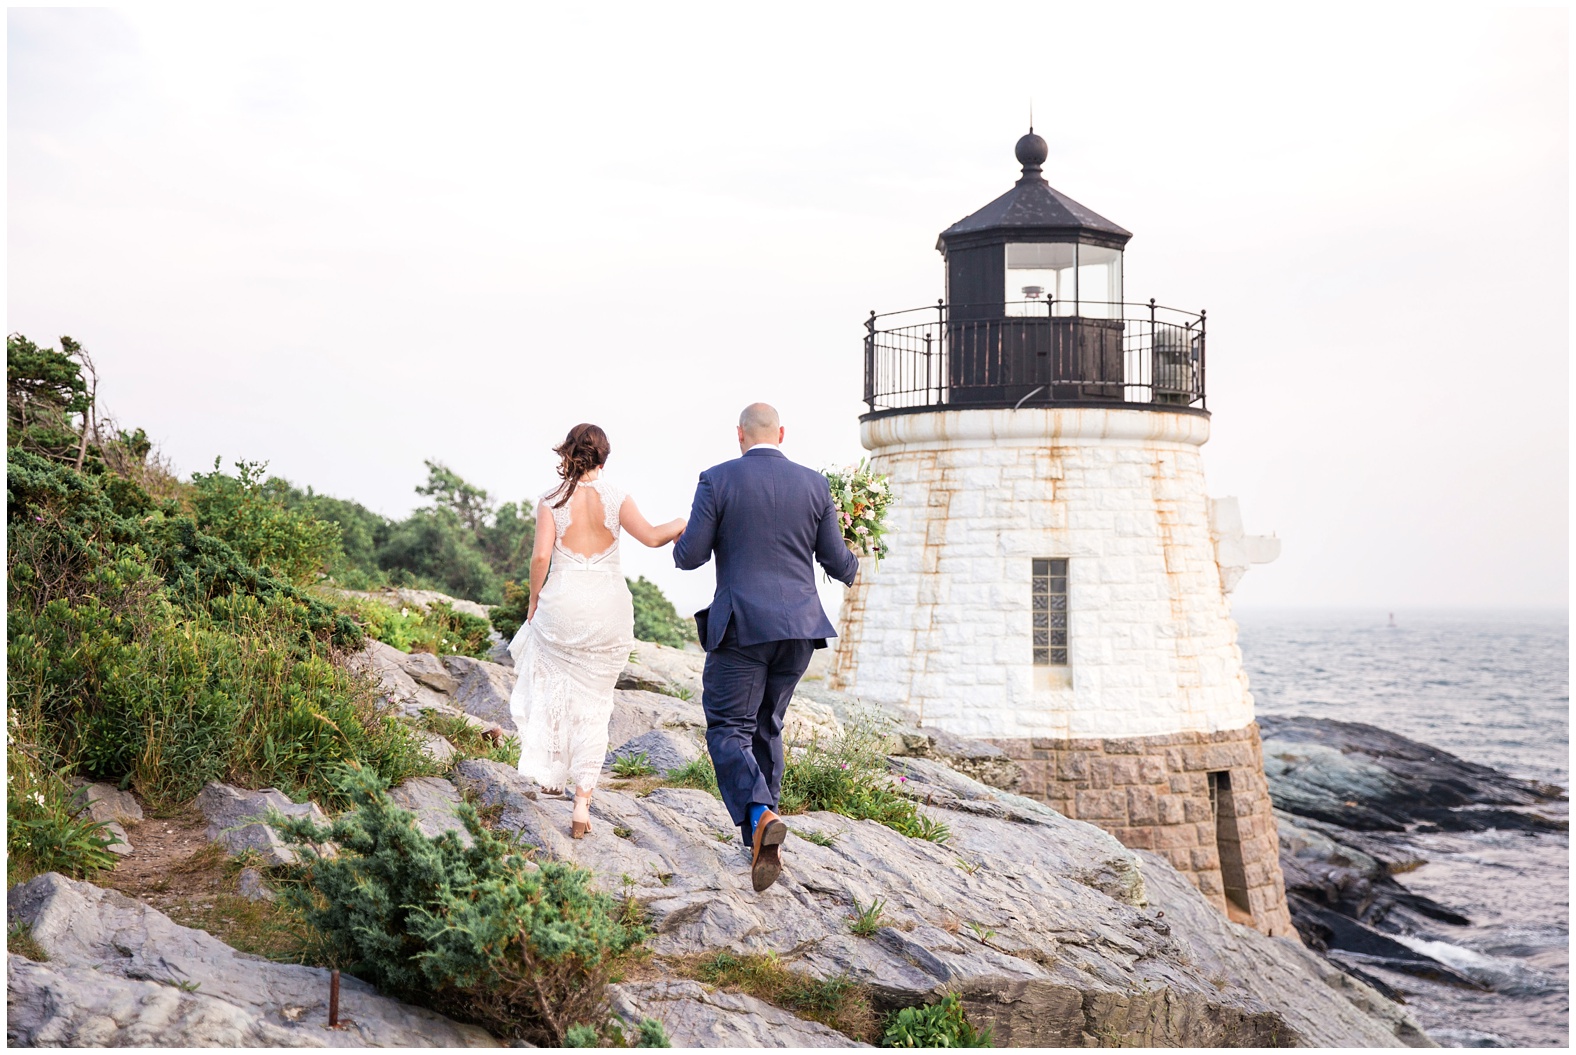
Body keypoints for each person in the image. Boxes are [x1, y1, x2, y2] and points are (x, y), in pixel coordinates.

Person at [673, 403, 859, 892]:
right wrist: (860, 555)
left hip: (743, 628)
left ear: (739, 435)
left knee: (728, 727)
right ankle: (761, 835)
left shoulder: (717, 479)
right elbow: (839, 563)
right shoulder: (815, 485)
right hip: (800, 629)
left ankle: (759, 813)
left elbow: (689, 556)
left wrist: (681, 533)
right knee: (766, 725)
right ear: (782, 433)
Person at [508, 423, 686, 839]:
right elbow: (655, 537)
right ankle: (582, 801)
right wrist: (680, 521)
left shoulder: (551, 501)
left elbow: (539, 558)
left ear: (567, 454)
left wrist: (534, 599)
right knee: (596, 703)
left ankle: (552, 774)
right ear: (604, 457)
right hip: (608, 609)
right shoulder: (618, 497)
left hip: (563, 605)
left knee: (554, 689)